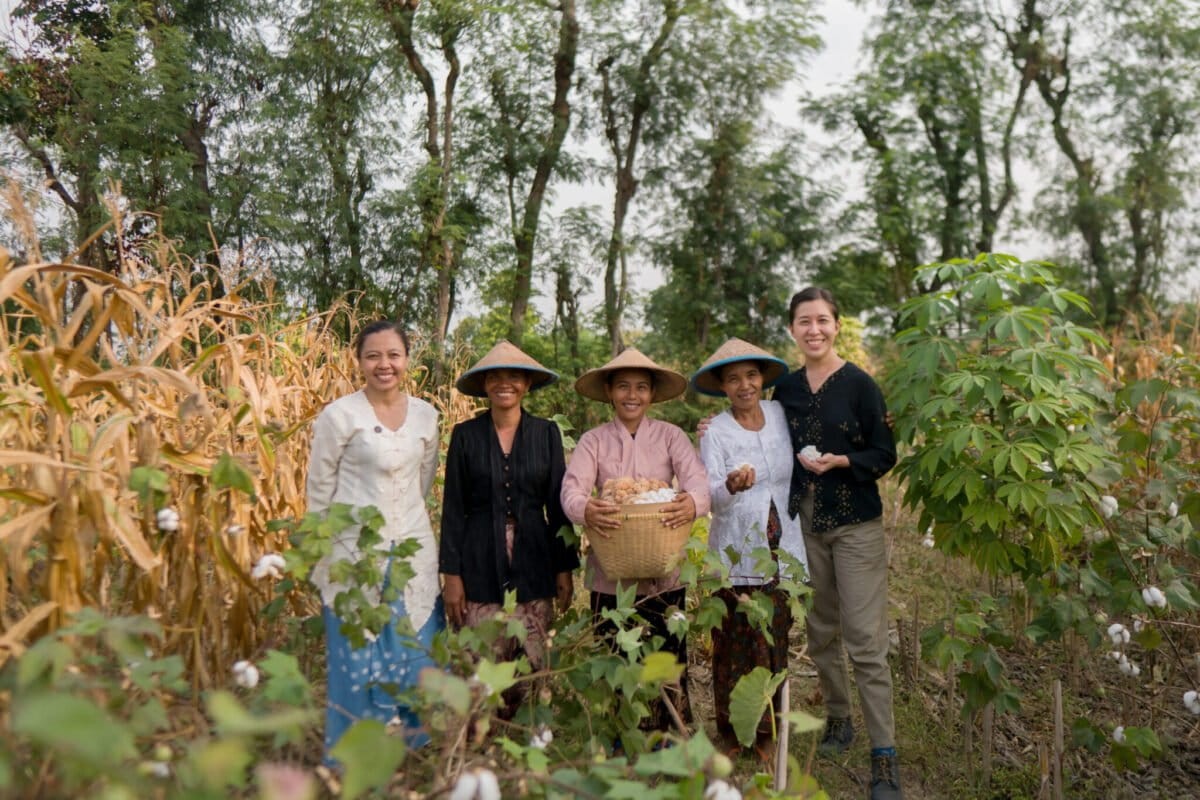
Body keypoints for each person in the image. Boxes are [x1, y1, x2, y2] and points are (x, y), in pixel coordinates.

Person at [773, 287, 902, 800]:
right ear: (792, 330)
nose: (814, 330)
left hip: (855, 524)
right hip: (805, 521)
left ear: (837, 326)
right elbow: (761, 435)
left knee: (866, 640)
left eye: (823, 321)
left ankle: (884, 754)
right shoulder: (784, 388)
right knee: (821, 628)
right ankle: (838, 718)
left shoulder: (860, 386)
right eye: (804, 322)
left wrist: (844, 461)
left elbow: (884, 452)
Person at [306, 320, 443, 758]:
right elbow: (319, 489)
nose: (384, 364)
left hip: (411, 551)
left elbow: (423, 482)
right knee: (357, 653)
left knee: (412, 648)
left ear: (407, 359)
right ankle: (354, 756)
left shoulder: (426, 415)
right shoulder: (340, 415)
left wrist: (402, 527)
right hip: (353, 553)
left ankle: (409, 751)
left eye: (393, 355)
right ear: (359, 361)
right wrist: (321, 550)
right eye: (373, 356)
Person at [560, 347, 711, 736]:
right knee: (616, 655)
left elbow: (697, 481)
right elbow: (572, 490)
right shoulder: (593, 441)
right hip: (610, 573)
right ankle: (620, 735)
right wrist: (586, 509)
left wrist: (691, 503)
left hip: (665, 572)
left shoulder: (671, 437)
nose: (632, 395)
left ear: (651, 393)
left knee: (666, 655)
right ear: (609, 391)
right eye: (623, 386)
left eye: (641, 387)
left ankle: (667, 732)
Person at [439, 341, 577, 716]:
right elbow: (453, 509)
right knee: (479, 654)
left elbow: (558, 505)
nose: (505, 384)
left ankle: (521, 733)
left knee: (530, 657)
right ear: (484, 386)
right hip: (478, 554)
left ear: (528, 384)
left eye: (514, 376)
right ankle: (477, 738)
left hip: (535, 553)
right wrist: (451, 575)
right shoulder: (465, 436)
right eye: (495, 377)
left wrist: (564, 567)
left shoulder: (546, 433)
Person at [690, 338, 808, 757]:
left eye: (752, 376)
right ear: (723, 386)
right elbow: (710, 498)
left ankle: (767, 732)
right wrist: (731, 486)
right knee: (735, 641)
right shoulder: (716, 432)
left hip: (784, 544)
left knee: (774, 637)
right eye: (734, 379)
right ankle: (731, 732)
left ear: (762, 380)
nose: (744, 385)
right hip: (737, 549)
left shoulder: (781, 415)